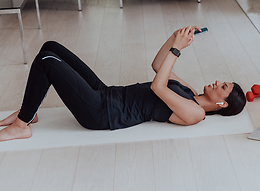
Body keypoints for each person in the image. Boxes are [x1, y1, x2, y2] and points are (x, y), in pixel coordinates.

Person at [0, 26, 246, 142]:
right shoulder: (189, 93)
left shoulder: (195, 113)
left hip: (101, 113)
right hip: (106, 94)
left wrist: (177, 50)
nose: (217, 82)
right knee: (51, 47)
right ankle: (29, 114)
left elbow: (157, 87)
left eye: (222, 86)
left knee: (46, 62)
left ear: (222, 104)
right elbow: (158, 66)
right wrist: (176, 36)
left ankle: (22, 125)